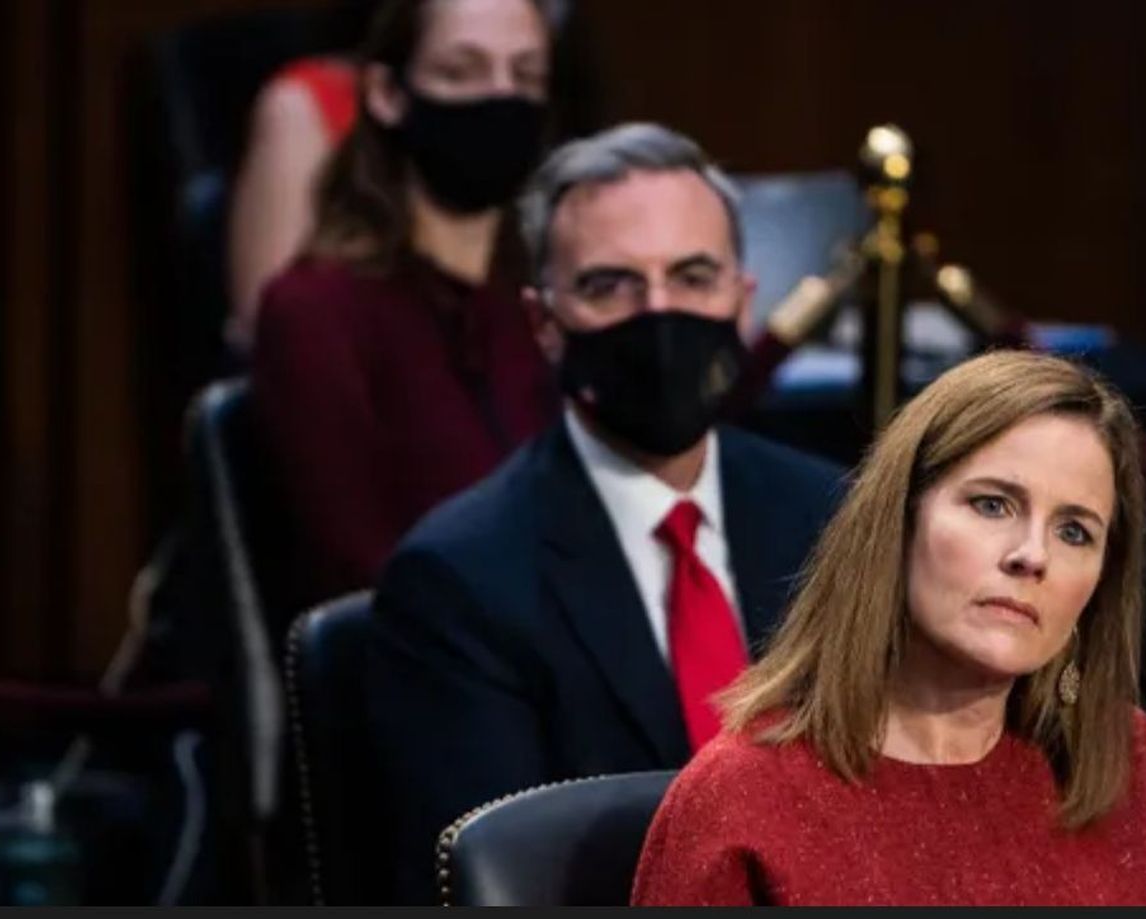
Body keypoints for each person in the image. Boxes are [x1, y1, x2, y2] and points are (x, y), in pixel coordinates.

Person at [363, 123, 847, 903]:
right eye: (609, 285)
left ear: (742, 300)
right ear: (545, 325)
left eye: (693, 276)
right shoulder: (458, 581)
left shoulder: (837, 520)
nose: (659, 314)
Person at [631, 350, 1146, 906]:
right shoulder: (742, 796)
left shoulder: (1124, 761)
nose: (1032, 555)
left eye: (1074, 531)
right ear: (899, 521)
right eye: (993, 504)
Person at [250, 0, 561, 612]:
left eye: (524, 76)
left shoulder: (553, 296)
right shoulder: (317, 311)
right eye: (461, 72)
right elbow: (356, 570)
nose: (499, 98)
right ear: (388, 94)